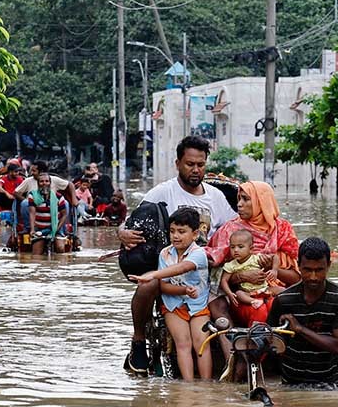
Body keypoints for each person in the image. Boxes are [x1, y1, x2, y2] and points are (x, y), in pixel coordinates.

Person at [119, 136, 237, 375]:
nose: (196, 170)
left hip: (205, 270)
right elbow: (131, 221)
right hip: (169, 269)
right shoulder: (163, 192)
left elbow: (235, 230)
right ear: (178, 164)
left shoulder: (216, 197)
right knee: (147, 284)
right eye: (190, 164)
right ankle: (139, 340)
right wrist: (121, 232)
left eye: (200, 165)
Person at [129, 208, 212, 380]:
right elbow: (165, 287)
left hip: (198, 304)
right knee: (183, 344)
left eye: (181, 232)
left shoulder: (199, 253)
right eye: (172, 231)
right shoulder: (165, 254)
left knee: (201, 344)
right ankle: (188, 385)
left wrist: (153, 274)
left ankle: (206, 385)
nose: (176, 236)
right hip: (173, 304)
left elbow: (182, 268)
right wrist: (183, 290)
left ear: (195, 234)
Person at [205, 180, 301, 328]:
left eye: (246, 199)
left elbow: (297, 279)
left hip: (277, 294)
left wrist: (272, 269)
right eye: (239, 199)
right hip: (243, 296)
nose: (239, 204)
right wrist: (242, 276)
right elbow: (213, 277)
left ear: (261, 201)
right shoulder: (230, 231)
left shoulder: (283, 230)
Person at [267, 237, 338, 388]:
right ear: (298, 266)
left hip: (328, 386)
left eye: (319, 270)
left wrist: (300, 329)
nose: (313, 277)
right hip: (290, 384)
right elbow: (271, 339)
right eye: (307, 270)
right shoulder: (283, 300)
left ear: (328, 265)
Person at [220, 229, 284, 311]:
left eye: (240, 247)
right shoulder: (231, 265)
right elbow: (224, 280)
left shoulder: (256, 258)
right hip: (248, 293)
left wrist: (274, 270)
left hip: (264, 289)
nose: (236, 250)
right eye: (232, 247)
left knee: (281, 290)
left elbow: (275, 257)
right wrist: (229, 293)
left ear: (251, 249)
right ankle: (254, 301)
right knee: (239, 294)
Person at [14, 160, 77, 230]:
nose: (31, 173)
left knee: (65, 203)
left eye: (34, 171)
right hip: (35, 206)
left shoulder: (53, 179)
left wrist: (74, 199)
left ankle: (61, 228)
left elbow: (70, 184)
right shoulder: (29, 181)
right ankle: (28, 228)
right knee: (25, 203)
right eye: (41, 182)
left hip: (52, 206)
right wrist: (27, 200)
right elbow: (16, 192)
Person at [28, 172, 68, 254]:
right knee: (36, 254)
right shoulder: (32, 195)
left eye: (46, 181)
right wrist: (32, 229)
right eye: (41, 181)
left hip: (56, 228)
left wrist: (56, 229)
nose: (44, 183)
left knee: (60, 248)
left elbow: (64, 215)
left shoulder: (59, 197)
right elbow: (32, 213)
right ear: (38, 184)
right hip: (39, 229)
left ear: (50, 183)